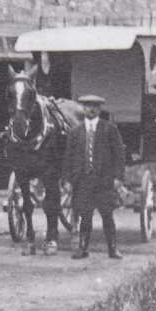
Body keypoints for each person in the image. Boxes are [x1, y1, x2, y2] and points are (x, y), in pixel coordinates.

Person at [63, 94, 126, 260]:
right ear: (83, 109)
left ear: (99, 109)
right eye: (88, 106)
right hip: (83, 181)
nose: (91, 109)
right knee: (85, 216)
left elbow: (119, 154)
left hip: (104, 181)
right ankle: (83, 248)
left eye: (95, 106)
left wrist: (118, 177)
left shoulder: (109, 129)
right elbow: (68, 157)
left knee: (107, 215)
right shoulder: (75, 132)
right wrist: (67, 180)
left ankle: (113, 248)